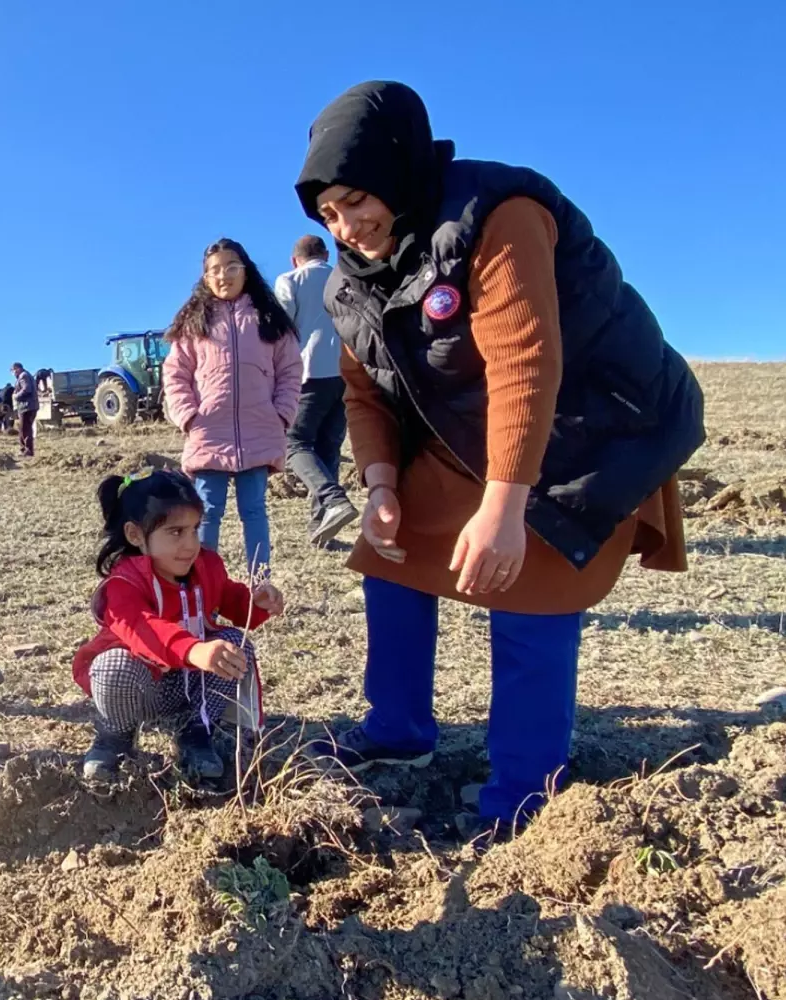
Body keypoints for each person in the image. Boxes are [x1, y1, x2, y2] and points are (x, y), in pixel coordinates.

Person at [293, 81, 704, 841]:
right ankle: (399, 728)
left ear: (398, 167)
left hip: (592, 427)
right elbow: (365, 394)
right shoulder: (349, 285)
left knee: (529, 580)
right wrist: (381, 482)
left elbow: (527, 364)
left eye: (357, 200)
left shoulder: (498, 215)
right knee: (389, 550)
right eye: (329, 215)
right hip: (470, 436)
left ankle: (523, 794)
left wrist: (505, 508)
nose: (347, 227)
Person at [72, 469, 285, 784]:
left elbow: (230, 599)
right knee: (111, 664)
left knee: (235, 643)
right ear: (135, 536)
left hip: (191, 688)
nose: (190, 545)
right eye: (175, 532)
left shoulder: (207, 566)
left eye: (194, 529)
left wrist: (257, 603)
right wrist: (194, 649)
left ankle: (196, 732)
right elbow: (144, 628)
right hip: (141, 689)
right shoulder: (123, 583)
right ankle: (115, 737)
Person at [162, 239, 302, 572]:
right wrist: (189, 416)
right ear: (205, 278)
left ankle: (259, 583)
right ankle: (203, 584)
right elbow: (175, 373)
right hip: (209, 431)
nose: (223, 275)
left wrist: (281, 413)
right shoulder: (195, 323)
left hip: (259, 430)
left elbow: (290, 370)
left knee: (254, 510)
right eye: (214, 270)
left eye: (231, 267)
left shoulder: (269, 319)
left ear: (246, 270)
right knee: (207, 511)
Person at [275, 235, 359, 547]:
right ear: (325, 254)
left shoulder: (290, 280)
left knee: (293, 443)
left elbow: (282, 328)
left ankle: (333, 499)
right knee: (328, 449)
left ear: (294, 259)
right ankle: (321, 531)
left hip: (309, 371)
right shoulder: (346, 277)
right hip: (348, 372)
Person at [12, 362, 38, 457]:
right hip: (29, 406)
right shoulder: (27, 375)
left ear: (17, 369)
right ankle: (24, 449)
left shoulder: (23, 375)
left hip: (27, 406)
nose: (13, 373)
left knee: (25, 429)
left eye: (13, 371)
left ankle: (28, 451)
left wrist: (16, 396)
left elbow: (27, 389)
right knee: (24, 428)